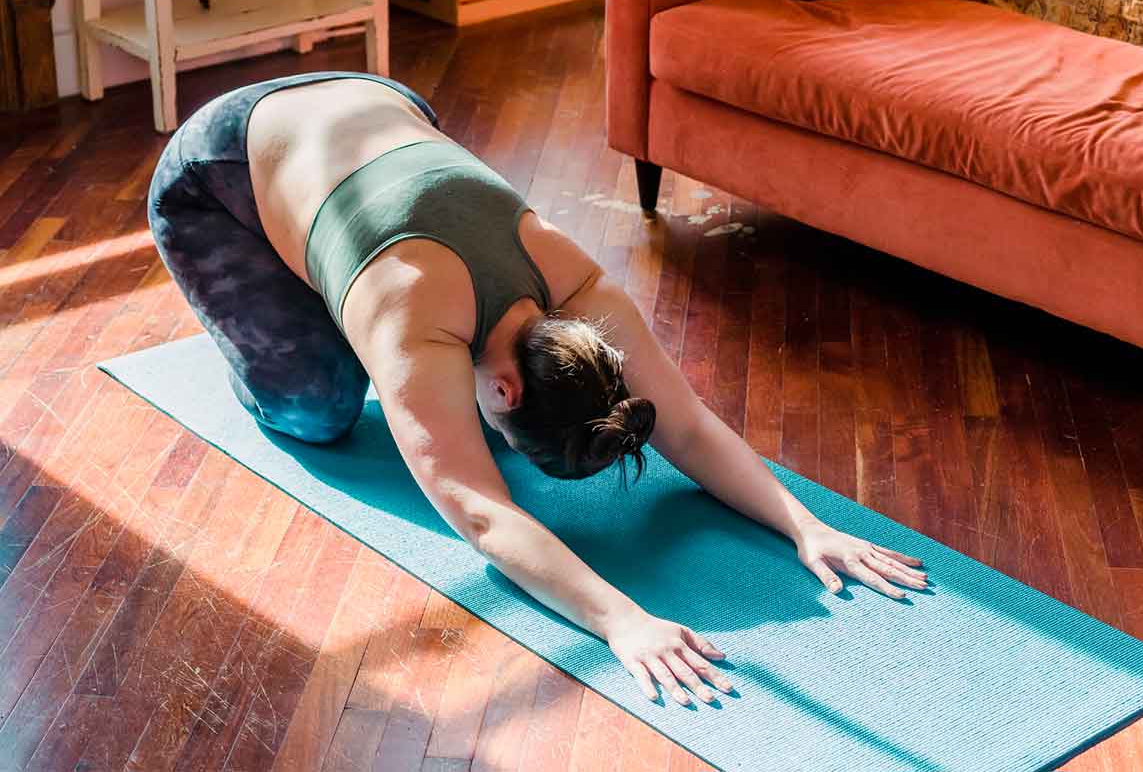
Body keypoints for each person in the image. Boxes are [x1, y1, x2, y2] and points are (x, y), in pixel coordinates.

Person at [147, 72, 928, 708]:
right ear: (506, 390)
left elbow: (686, 426)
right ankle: (281, 308)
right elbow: (483, 514)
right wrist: (622, 621)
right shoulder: (411, 316)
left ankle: (322, 283)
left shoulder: (580, 290)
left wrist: (806, 527)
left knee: (413, 377)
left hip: (380, 106)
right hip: (221, 166)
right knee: (317, 410)